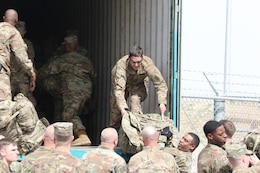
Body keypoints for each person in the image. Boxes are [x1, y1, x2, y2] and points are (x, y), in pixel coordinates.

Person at [38, 35, 95, 146]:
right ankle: (65, 137)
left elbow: (44, 72)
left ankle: (83, 136)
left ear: (68, 46)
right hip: (87, 90)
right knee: (71, 111)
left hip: (72, 90)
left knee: (69, 115)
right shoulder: (86, 60)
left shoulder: (62, 59)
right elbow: (94, 76)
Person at [110, 45, 168, 130]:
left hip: (138, 84)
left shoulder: (147, 64)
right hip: (122, 85)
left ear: (142, 57)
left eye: (139, 62)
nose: (136, 65)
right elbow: (119, 90)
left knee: (135, 102)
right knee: (116, 112)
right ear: (129, 58)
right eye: (133, 62)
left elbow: (160, 83)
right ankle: (113, 134)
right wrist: (123, 109)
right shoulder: (121, 66)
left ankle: (136, 132)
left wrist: (162, 102)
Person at [0, 9, 36, 101]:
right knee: (4, 106)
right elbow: (22, 58)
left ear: (4, 18)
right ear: (16, 21)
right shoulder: (13, 33)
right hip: (2, 71)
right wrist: (32, 74)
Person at [10, 20, 37, 106]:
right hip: (16, 77)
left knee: (25, 102)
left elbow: (30, 60)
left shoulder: (27, 44)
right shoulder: (10, 42)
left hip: (20, 77)